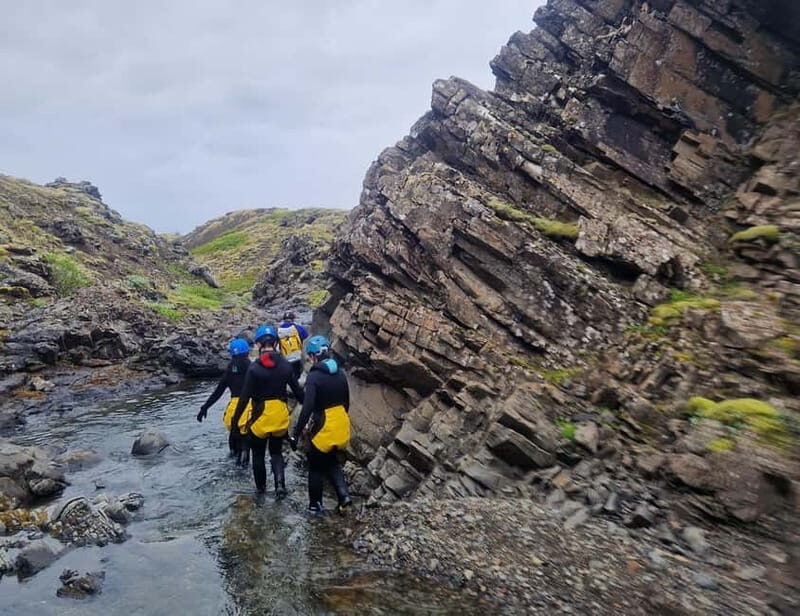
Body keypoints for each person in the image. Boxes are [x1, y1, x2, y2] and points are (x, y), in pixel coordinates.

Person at [233, 324, 304, 498]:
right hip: (280, 414)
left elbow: (244, 397)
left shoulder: (254, 368)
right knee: (276, 451)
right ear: (276, 343)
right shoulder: (286, 366)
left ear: (258, 345)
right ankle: (280, 485)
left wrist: (236, 421)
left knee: (258, 454)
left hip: (261, 417)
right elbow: (299, 393)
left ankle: (261, 489)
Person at [289, 335, 353, 515]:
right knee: (332, 461)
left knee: (315, 466)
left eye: (309, 356)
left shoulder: (314, 377)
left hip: (323, 427)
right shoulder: (340, 373)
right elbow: (347, 402)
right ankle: (343, 496)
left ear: (312, 356)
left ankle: (315, 506)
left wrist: (296, 433)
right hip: (341, 425)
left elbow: (307, 407)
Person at [197, 338, 252, 466]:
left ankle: (233, 458)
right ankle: (242, 471)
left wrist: (204, 408)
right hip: (247, 409)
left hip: (232, 412)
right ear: (247, 352)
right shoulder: (251, 366)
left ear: (232, 353)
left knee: (233, 437)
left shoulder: (229, 369)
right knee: (245, 444)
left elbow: (218, 392)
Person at [277, 311, 309, 380]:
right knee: (297, 375)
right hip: (297, 357)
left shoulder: (278, 330)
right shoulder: (299, 328)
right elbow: (307, 339)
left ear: (283, 320)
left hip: (285, 358)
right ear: (293, 319)